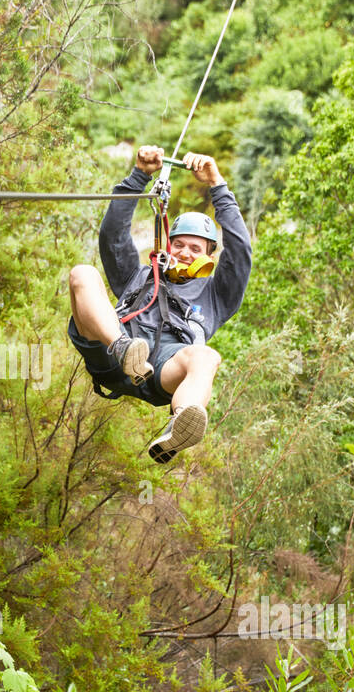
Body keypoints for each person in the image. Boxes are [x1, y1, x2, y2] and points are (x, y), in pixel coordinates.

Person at [66, 145, 252, 463]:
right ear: (168, 244)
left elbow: (240, 249)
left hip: (162, 369)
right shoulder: (139, 276)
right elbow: (112, 236)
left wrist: (217, 185)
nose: (184, 253)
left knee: (205, 357)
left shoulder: (216, 294)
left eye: (196, 248)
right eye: (178, 244)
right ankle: (124, 349)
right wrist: (139, 175)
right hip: (112, 350)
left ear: (209, 256)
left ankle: (180, 425)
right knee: (81, 273)